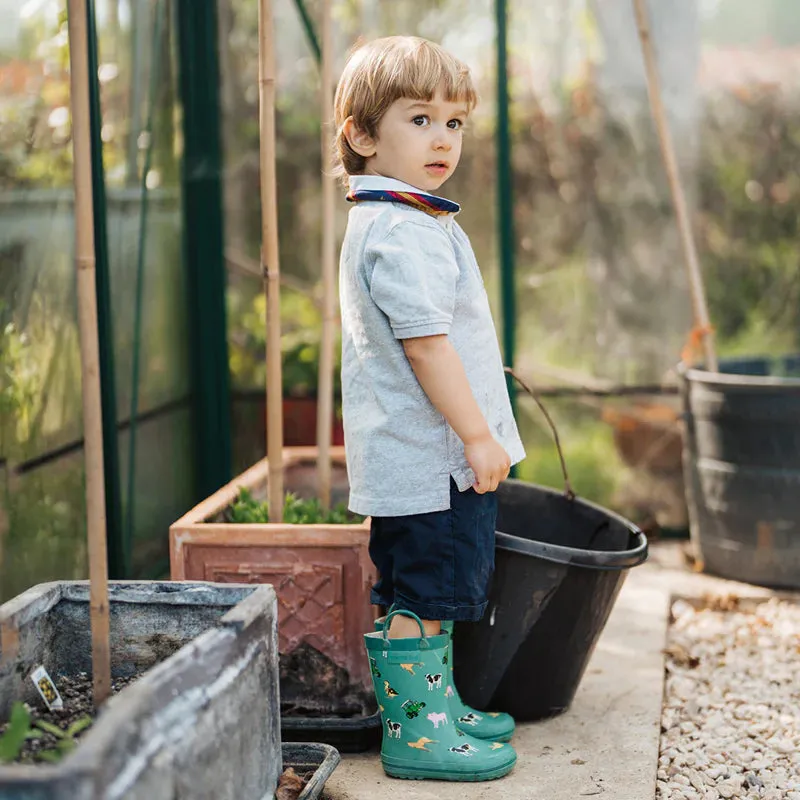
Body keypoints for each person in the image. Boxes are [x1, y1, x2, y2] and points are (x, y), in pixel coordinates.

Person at [334, 35, 526, 782]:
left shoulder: (401, 217)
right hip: (435, 462)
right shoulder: (402, 232)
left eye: (455, 122)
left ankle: (434, 707)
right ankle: (417, 739)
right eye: (419, 119)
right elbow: (427, 349)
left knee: (421, 587)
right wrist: (477, 436)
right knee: (428, 592)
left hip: (419, 460)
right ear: (362, 134)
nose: (443, 139)